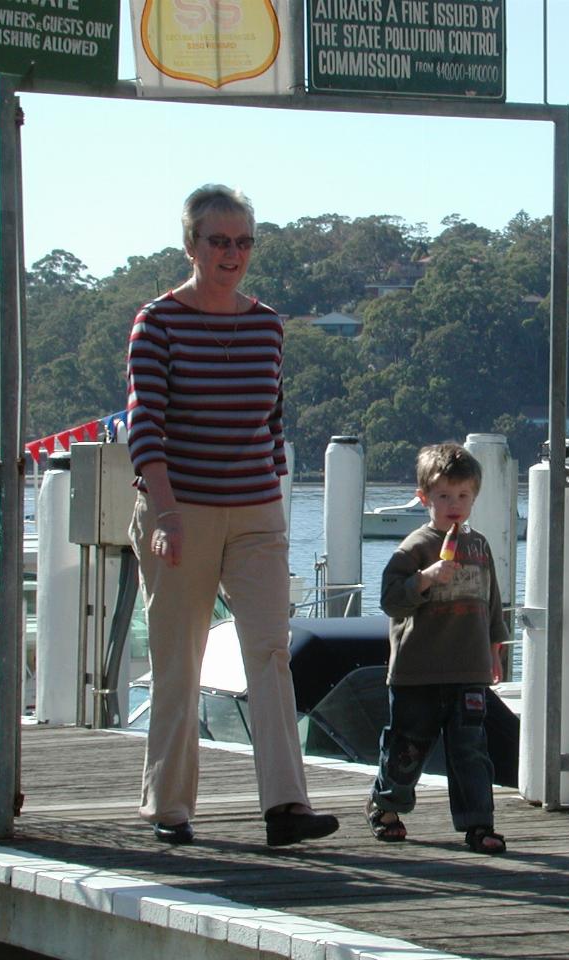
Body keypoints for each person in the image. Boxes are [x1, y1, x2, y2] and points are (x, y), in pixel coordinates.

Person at [126, 184, 339, 848]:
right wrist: (164, 513)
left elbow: (270, 421)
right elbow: (146, 428)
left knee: (271, 653)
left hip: (254, 508)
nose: (232, 254)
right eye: (219, 241)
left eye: (243, 241)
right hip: (179, 509)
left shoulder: (268, 324)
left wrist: (271, 499)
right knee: (179, 657)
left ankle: (285, 807)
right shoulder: (156, 322)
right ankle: (169, 807)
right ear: (190, 245)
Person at [368, 442, 509, 853]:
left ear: (474, 498)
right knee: (406, 746)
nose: (454, 504)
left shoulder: (479, 546)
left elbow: (492, 601)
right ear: (424, 497)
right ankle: (386, 804)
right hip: (418, 671)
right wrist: (425, 578)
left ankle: (478, 824)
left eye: (463, 496)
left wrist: (494, 647)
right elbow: (391, 599)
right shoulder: (415, 547)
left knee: (471, 750)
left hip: (469, 669)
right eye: (444, 496)